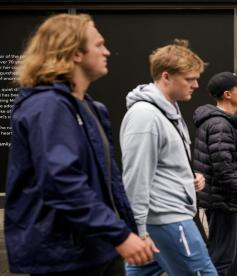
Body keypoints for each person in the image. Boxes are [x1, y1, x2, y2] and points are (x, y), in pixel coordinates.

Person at [4, 14, 154, 276]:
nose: (107, 51)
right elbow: (61, 181)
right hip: (63, 254)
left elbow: (109, 183)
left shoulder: (91, 108)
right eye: (99, 45)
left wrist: (130, 231)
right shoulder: (47, 106)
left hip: (99, 246)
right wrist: (119, 234)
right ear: (74, 52)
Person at [120, 39, 217, 275]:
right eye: (189, 79)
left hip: (164, 218)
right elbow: (136, 177)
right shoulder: (145, 116)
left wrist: (188, 177)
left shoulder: (168, 110)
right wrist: (138, 230)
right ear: (166, 76)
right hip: (168, 220)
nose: (196, 85)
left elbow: (164, 165)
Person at [193, 72, 237, 275]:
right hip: (222, 200)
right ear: (227, 94)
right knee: (220, 257)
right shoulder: (219, 125)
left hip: (230, 199)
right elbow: (224, 170)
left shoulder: (223, 121)